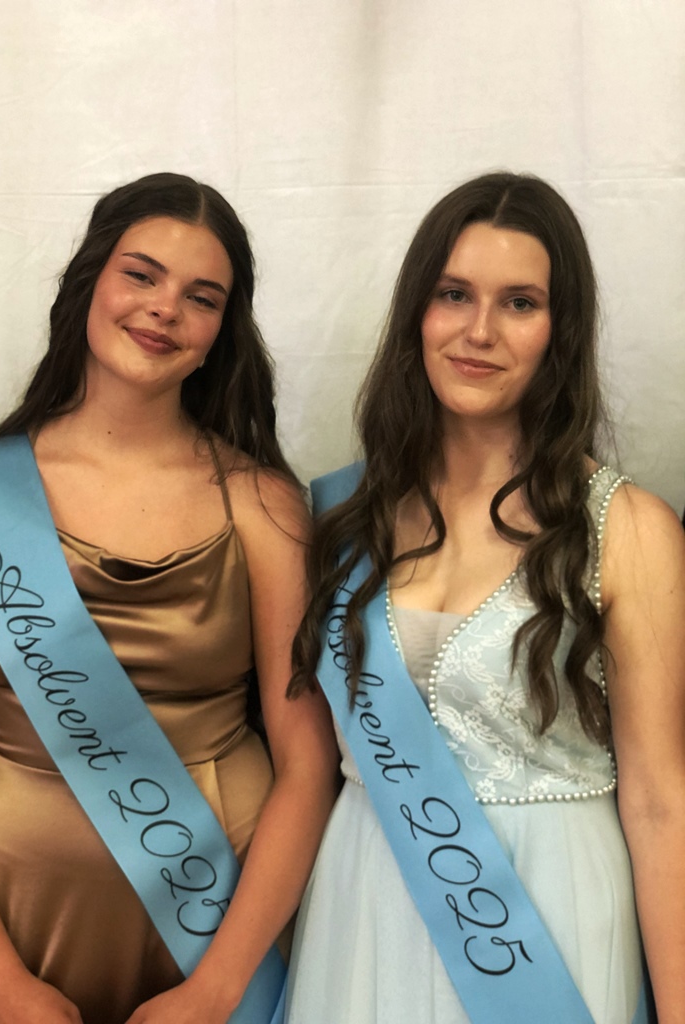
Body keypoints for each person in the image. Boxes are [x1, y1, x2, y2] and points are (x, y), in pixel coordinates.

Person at [0, 172, 340, 1024]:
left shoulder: (264, 507)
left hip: (219, 921)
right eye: (141, 275)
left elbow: (308, 767)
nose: (164, 309)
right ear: (90, 281)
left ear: (222, 331)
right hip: (13, 921)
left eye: (202, 297)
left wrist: (218, 989)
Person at [284, 172, 685, 1023]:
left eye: (520, 304)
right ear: (416, 313)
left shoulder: (628, 529)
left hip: (553, 915)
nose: (479, 331)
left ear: (559, 331)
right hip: (365, 896)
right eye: (454, 294)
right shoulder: (344, 519)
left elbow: (660, 802)